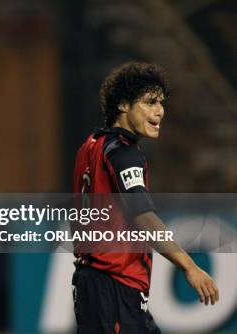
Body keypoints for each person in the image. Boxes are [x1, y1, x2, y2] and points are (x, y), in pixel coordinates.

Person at [72, 61, 219, 333]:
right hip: (115, 286)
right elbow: (143, 216)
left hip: (93, 284)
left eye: (161, 102)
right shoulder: (124, 152)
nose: (159, 111)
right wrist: (190, 267)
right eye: (150, 102)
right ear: (123, 105)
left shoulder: (90, 145)